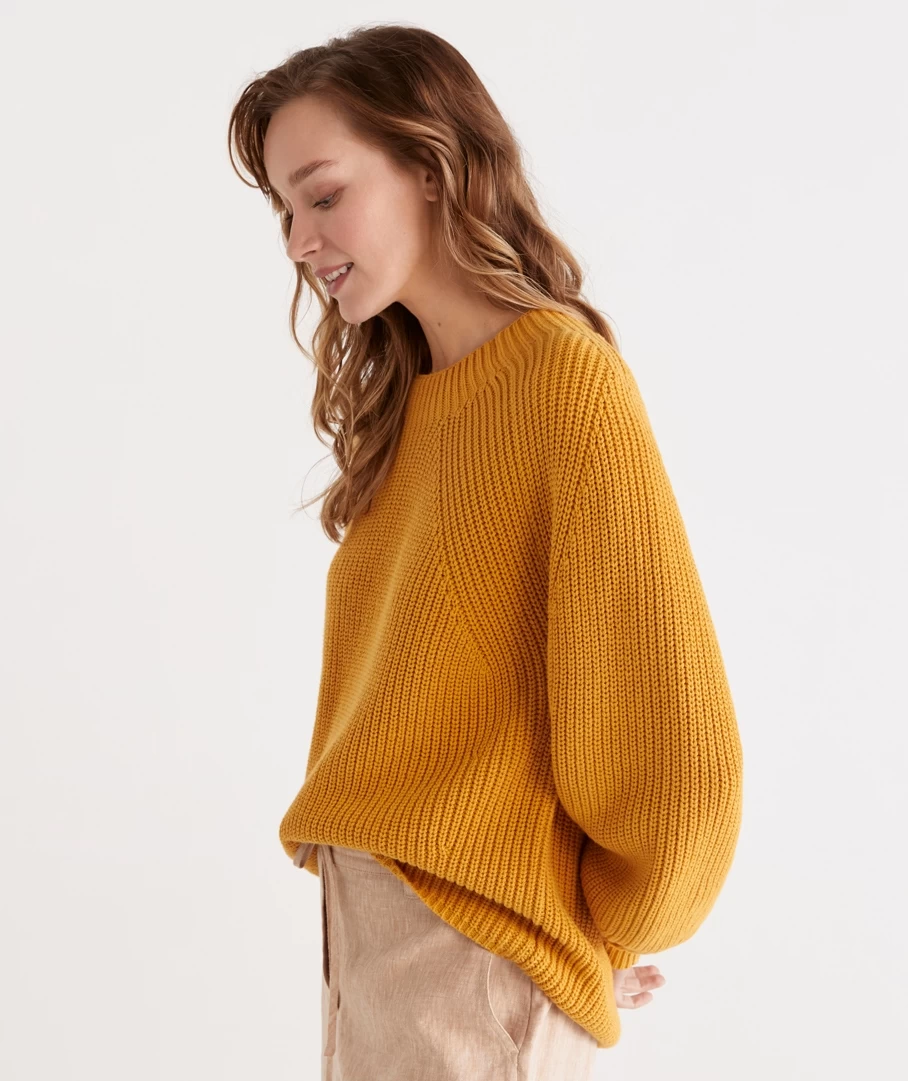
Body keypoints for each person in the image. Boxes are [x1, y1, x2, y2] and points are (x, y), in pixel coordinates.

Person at [228, 22, 743, 1081]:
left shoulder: (561, 383)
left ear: (431, 166)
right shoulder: (410, 407)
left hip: (465, 953)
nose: (297, 241)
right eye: (285, 210)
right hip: (381, 936)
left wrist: (597, 927)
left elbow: (667, 741)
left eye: (323, 196)